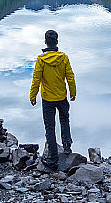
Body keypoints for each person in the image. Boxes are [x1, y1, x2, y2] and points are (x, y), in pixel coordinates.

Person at [29, 29, 76, 170]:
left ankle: (53, 158)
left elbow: (36, 79)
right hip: (62, 97)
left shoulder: (41, 60)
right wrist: (73, 92)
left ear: (45, 42)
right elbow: (70, 76)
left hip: (47, 99)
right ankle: (67, 146)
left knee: (50, 128)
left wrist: (33, 96)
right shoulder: (64, 57)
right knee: (64, 120)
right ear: (57, 42)